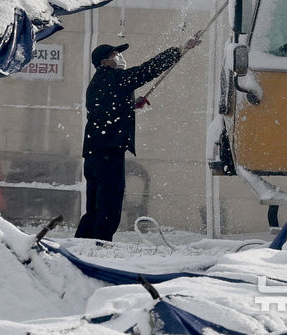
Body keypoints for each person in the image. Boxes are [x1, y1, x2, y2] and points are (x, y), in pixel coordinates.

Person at [75, 36, 201, 241]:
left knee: (95, 209)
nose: (119, 57)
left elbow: (104, 109)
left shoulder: (98, 82)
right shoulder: (116, 78)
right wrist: (179, 50)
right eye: (114, 54)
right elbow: (147, 70)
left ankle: (81, 245)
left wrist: (130, 105)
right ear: (104, 62)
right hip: (109, 153)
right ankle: (98, 248)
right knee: (109, 207)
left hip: (94, 153)